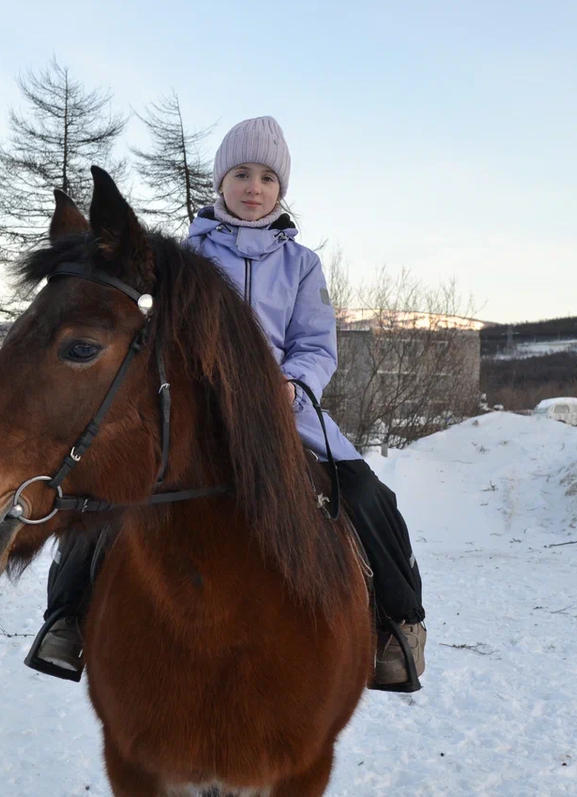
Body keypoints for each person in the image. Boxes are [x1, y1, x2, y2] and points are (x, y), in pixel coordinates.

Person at [26, 116, 427, 692]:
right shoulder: (182, 255)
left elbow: (317, 345)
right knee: (108, 489)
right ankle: (67, 620)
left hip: (283, 412)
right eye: (241, 173)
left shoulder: (302, 264)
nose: (253, 187)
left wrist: (290, 383)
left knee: (368, 495)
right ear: (222, 182)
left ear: (280, 190)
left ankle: (398, 625)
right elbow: (151, 330)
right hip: (192, 412)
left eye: (267, 177)